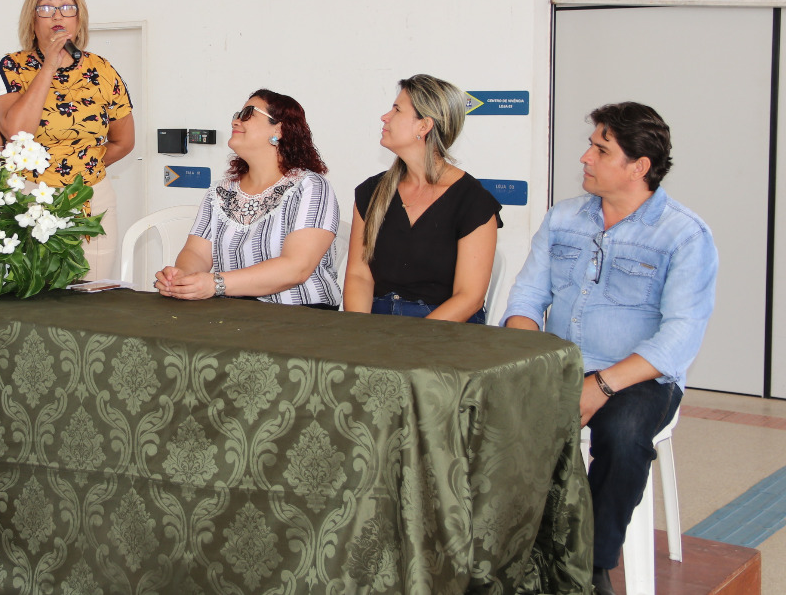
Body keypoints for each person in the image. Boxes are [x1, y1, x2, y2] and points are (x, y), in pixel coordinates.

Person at [502, 102, 717, 595]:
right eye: (590, 146)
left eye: (601, 149)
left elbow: (680, 336)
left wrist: (601, 384)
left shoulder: (684, 235)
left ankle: (588, 567)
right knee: (487, 414)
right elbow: (527, 298)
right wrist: (527, 359)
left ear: (639, 167)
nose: (585, 157)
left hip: (639, 377)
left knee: (622, 435)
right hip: (559, 365)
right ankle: (509, 553)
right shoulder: (563, 218)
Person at [0, 0, 135, 281]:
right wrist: (49, 67)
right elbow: (17, 134)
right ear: (32, 20)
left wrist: (77, 167)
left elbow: (124, 141)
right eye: (46, 8)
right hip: (29, 196)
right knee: (34, 291)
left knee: (91, 289)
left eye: (67, 7)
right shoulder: (11, 67)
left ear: (79, 20)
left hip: (90, 197)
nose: (57, 16)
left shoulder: (102, 70)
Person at [154, 89, 340, 308]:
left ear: (278, 129)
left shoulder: (310, 186)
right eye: (237, 115)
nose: (235, 121)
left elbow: (296, 268)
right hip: (235, 311)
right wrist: (182, 277)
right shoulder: (220, 191)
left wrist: (215, 284)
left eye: (247, 114)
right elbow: (196, 252)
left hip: (302, 314)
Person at [343, 74, 501, 323]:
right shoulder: (371, 192)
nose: (385, 117)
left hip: (442, 329)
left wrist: (414, 340)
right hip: (377, 325)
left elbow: (469, 297)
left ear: (424, 126)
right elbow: (359, 276)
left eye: (397, 110)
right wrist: (361, 331)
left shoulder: (473, 202)